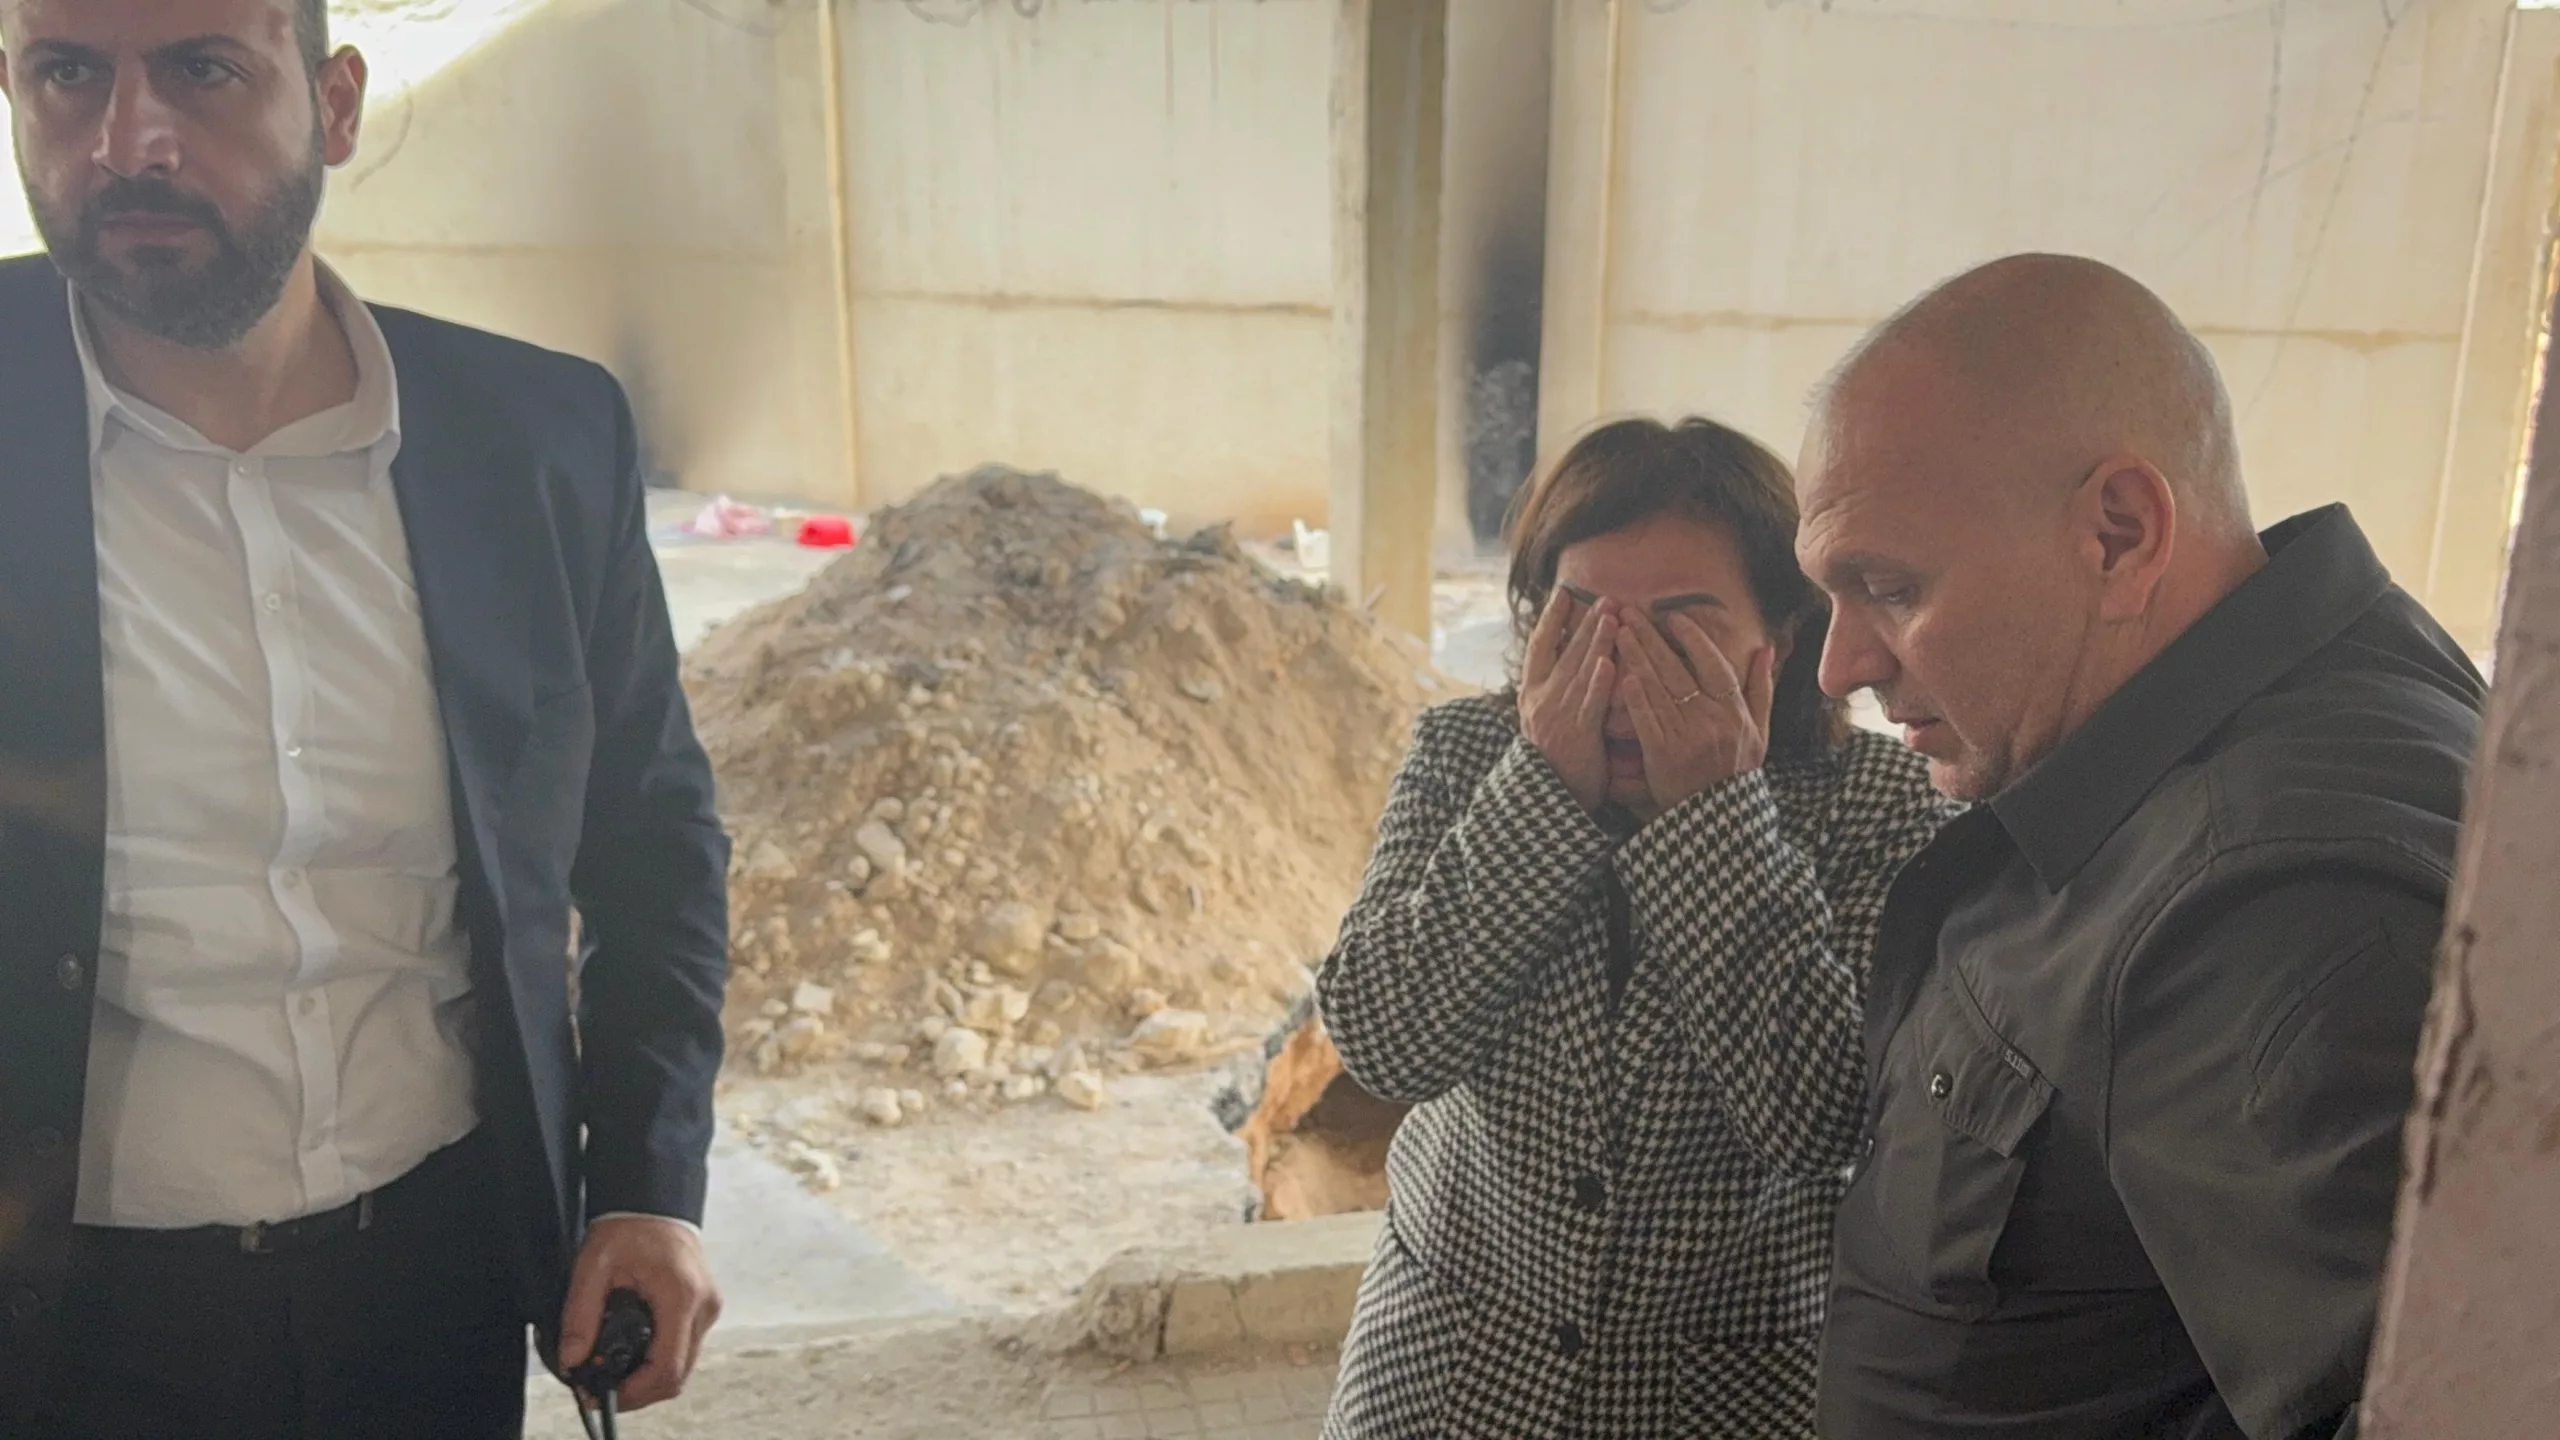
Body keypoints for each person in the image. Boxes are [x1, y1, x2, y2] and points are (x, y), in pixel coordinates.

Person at [0, 1, 731, 1435]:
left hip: (435, 1295)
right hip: (57, 1328)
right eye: (67, 73)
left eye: (203, 70)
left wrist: (648, 1184)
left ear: (335, 106)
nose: (128, 141)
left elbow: (651, 837)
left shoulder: (537, 439)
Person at [1798, 254, 2485, 1439]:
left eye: (1890, 588)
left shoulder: (2270, 908)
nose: (1839, 666)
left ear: (2118, 533)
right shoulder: (2268, 704)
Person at [1317, 417, 1950, 1438]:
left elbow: (1818, 1120)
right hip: (1446, 1370)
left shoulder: (1884, 805)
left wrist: (1712, 818)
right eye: (1579, 622)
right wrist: (1539, 792)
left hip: (1725, 1392)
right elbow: (1385, 1039)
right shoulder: (1465, 752)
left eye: (1677, 631)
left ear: (1780, 642)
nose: (1616, 673)